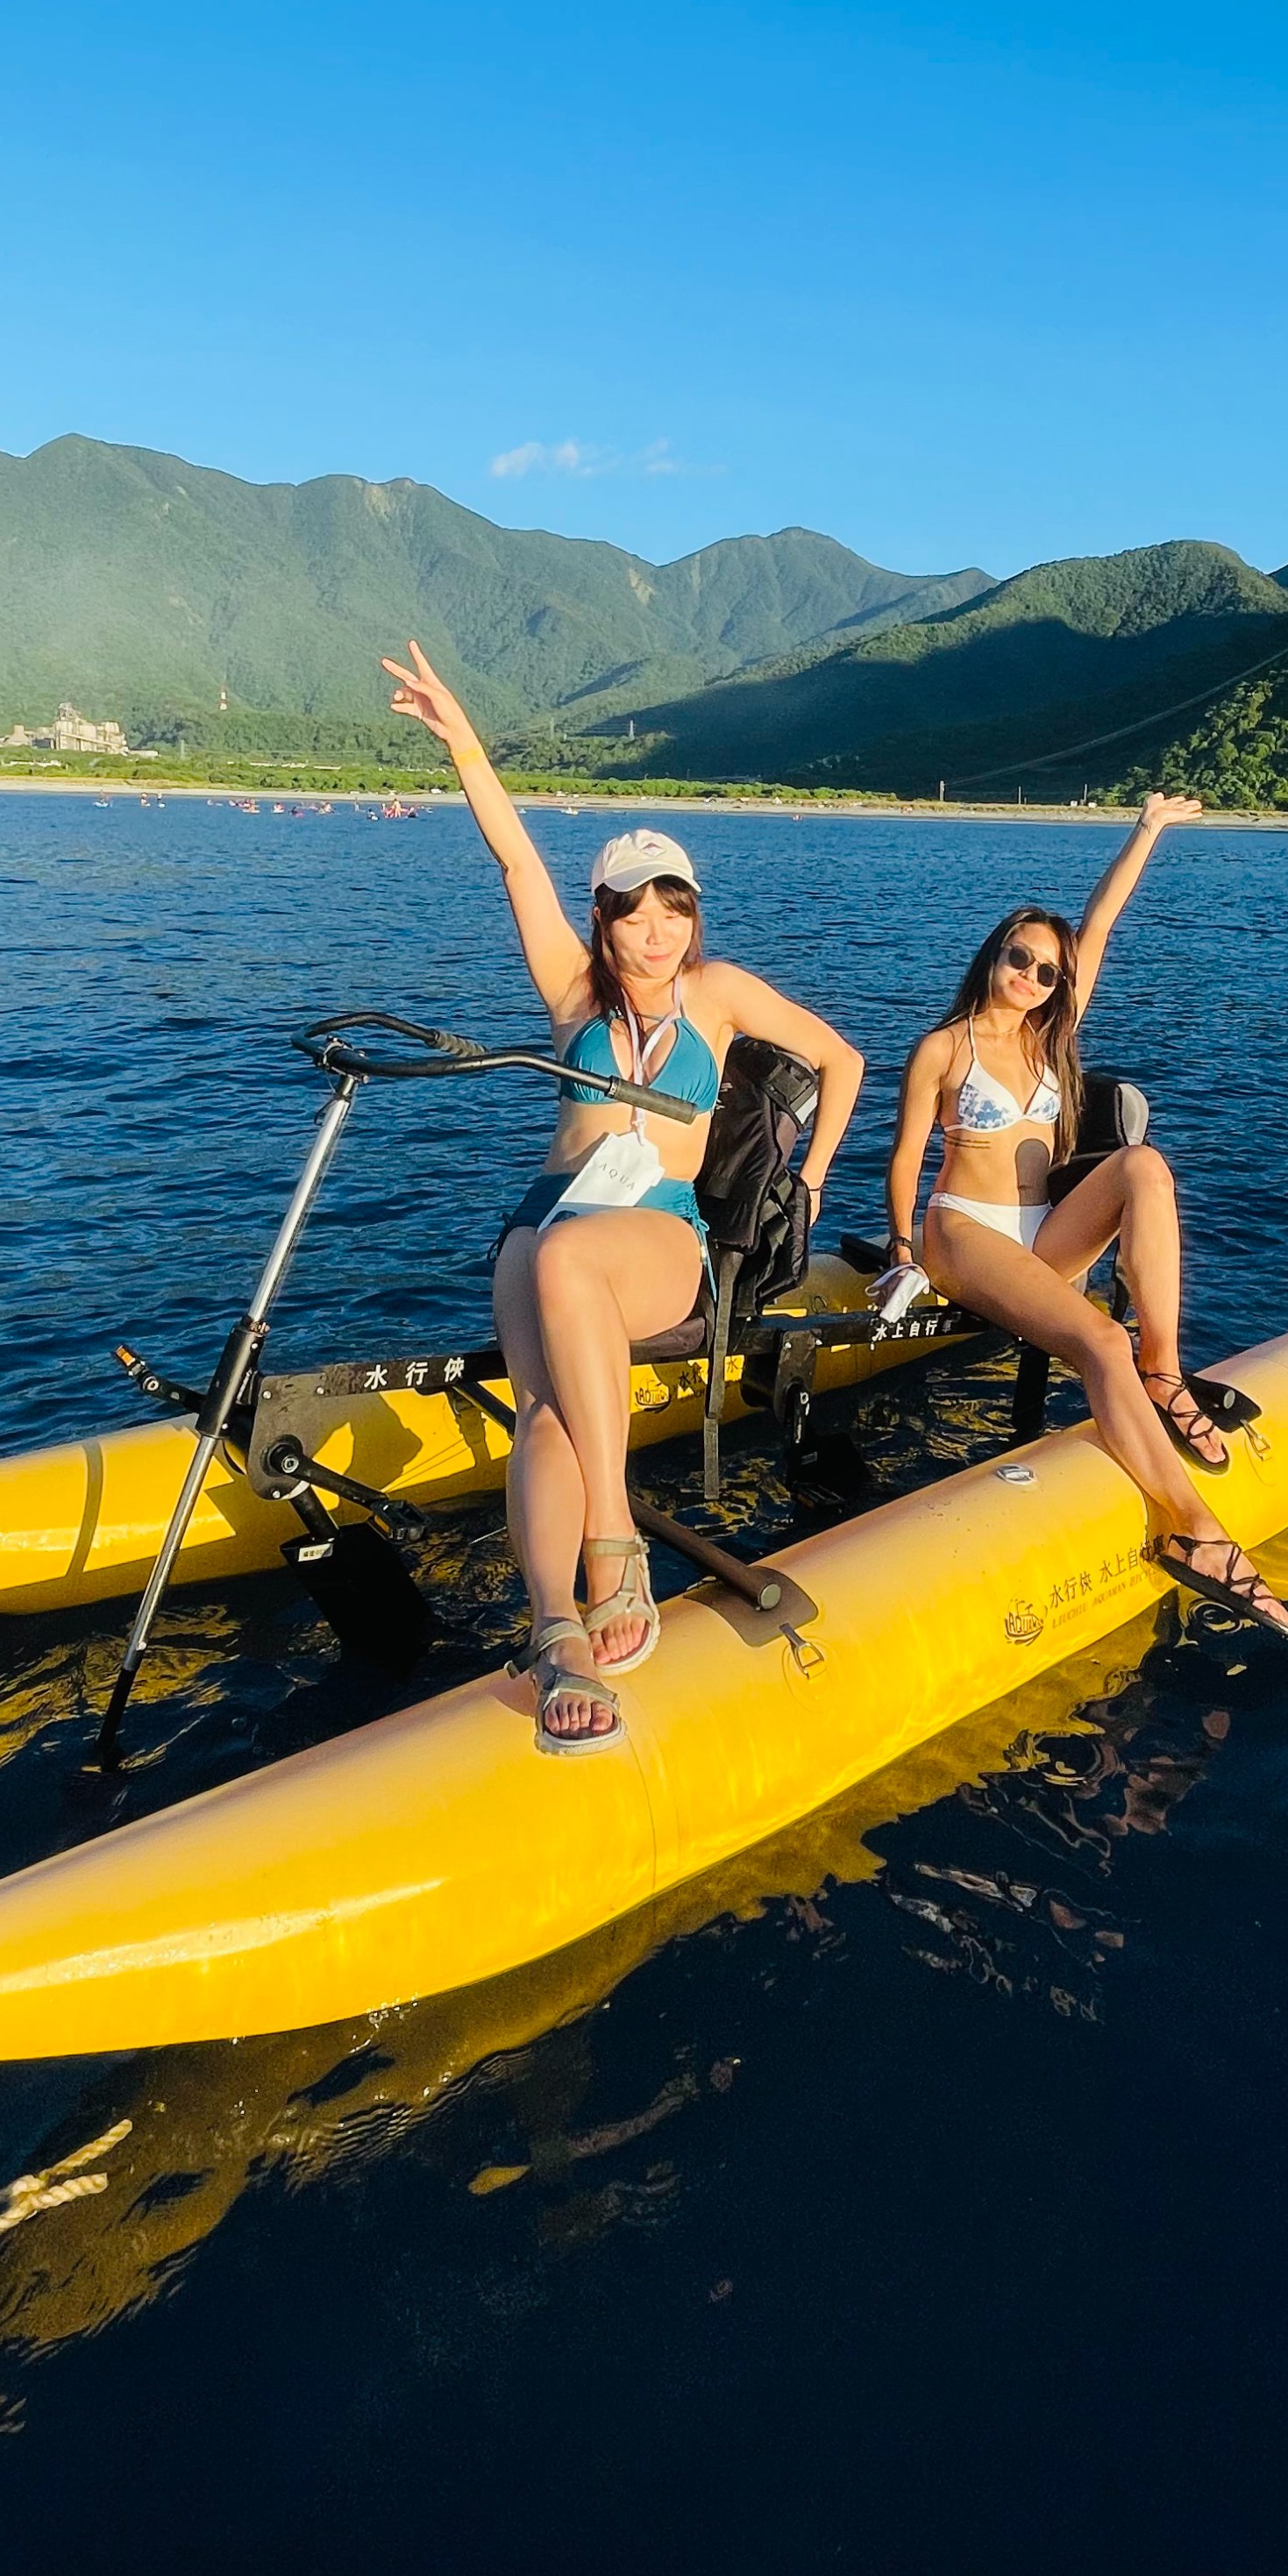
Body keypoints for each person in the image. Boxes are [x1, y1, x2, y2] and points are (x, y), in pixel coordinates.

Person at [382, 643, 866, 1749]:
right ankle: (556, 1627)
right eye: (631, 912)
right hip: (549, 1211)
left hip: (654, 1231)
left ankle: (616, 1539)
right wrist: (465, 745)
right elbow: (514, 863)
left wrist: (810, 1174)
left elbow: (844, 1061)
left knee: (566, 1267)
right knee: (545, 1400)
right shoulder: (573, 991)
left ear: (694, 915)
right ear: (601, 917)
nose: (654, 933)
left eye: (673, 910)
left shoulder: (718, 994)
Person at [879, 797, 1288, 1637]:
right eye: (1021, 960)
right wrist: (902, 1248)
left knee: (1144, 1165)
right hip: (965, 1230)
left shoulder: (1048, 1037)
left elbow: (1099, 925)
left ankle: (1164, 1371)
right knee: (1097, 1340)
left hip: (1042, 1232)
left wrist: (1146, 830)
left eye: (1048, 973)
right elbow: (905, 1155)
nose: (1033, 979)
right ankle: (1198, 1530)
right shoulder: (944, 1047)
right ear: (994, 955)